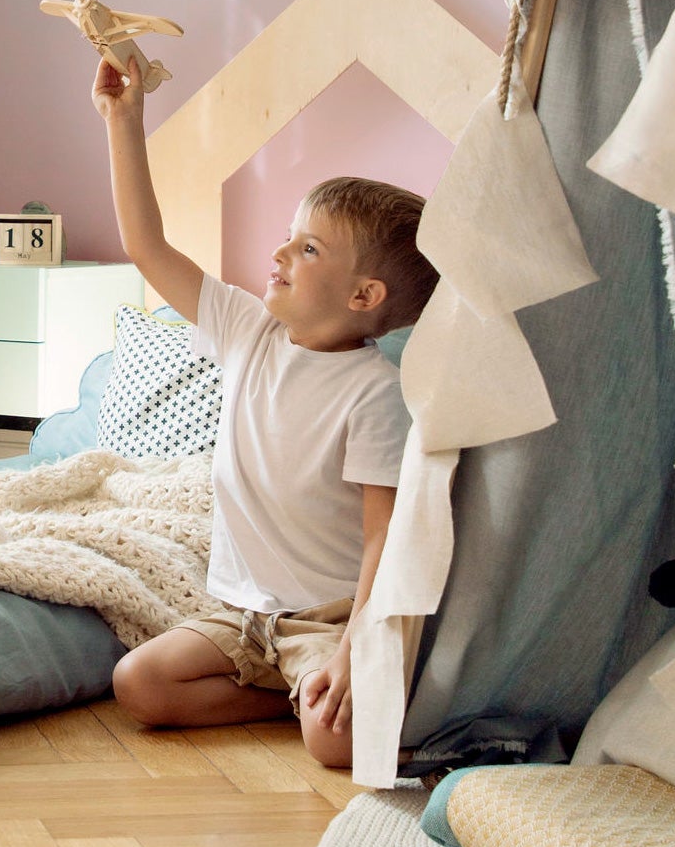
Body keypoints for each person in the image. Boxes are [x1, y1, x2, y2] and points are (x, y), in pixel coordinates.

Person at [92, 53, 438, 768]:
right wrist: (124, 121)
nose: (279, 251)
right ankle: (286, 698)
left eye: (307, 248)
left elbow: (385, 537)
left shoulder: (375, 394)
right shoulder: (247, 330)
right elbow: (146, 247)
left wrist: (354, 647)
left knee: (335, 745)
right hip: (243, 614)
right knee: (140, 684)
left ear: (364, 296)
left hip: (327, 617)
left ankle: (315, 695)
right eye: (289, 233)